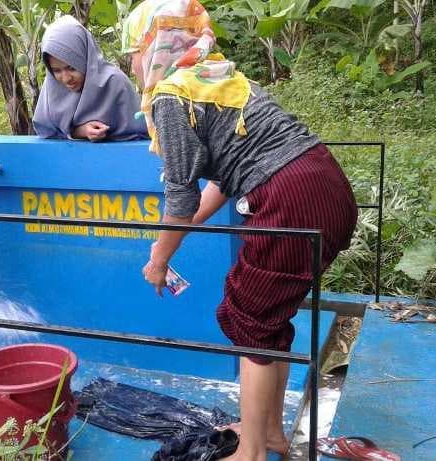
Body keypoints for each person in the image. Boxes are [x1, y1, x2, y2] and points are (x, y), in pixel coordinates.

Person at [125, 1, 358, 460]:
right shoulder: (217, 76)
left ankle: (249, 453)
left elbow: (181, 195)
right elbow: (220, 180)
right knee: (260, 318)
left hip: (290, 199)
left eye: (134, 48)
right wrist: (176, 237)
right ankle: (268, 432)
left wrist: (158, 259)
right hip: (325, 189)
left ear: (154, 45)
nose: (132, 61)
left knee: (248, 319)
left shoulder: (173, 95)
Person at [33, 15, 148, 141]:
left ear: (86, 59)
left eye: (72, 67)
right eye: (56, 70)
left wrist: (106, 134)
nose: (66, 79)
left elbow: (143, 132)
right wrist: (79, 131)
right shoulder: (53, 87)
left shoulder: (115, 82)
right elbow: (46, 129)